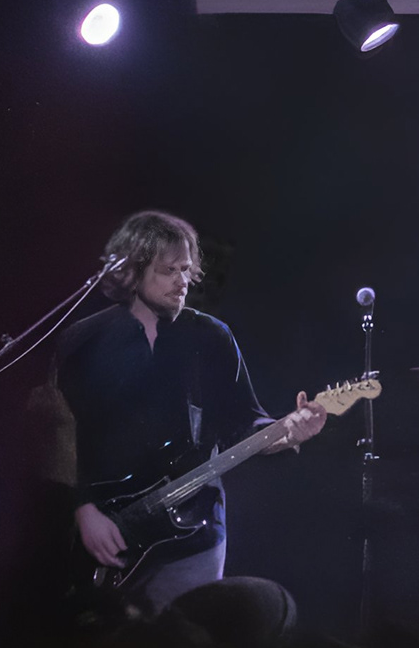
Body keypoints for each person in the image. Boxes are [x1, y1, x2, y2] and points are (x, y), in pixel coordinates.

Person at [49, 208, 325, 612]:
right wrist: (83, 509)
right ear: (131, 271)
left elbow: (244, 423)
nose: (182, 281)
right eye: (168, 270)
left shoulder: (211, 337)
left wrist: (289, 431)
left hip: (191, 529)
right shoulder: (83, 340)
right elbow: (57, 439)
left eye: (185, 269)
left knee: (184, 639)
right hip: (102, 528)